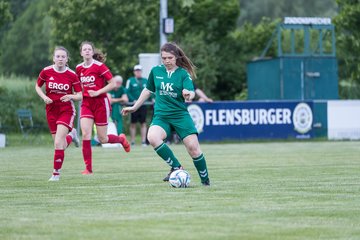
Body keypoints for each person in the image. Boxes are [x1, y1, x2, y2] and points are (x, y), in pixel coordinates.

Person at [122, 42, 210, 186]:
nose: (167, 61)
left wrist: (188, 94)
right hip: (162, 116)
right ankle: (176, 166)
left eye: (170, 57)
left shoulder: (183, 74)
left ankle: (205, 181)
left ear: (176, 57)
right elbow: (148, 90)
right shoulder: (156, 71)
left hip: (180, 116)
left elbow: (191, 92)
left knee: (194, 149)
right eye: (164, 58)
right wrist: (134, 107)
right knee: (152, 137)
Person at [76, 41, 130, 175]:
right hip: (87, 104)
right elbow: (78, 86)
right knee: (86, 134)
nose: (87, 51)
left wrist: (98, 92)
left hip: (101, 103)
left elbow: (112, 84)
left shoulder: (100, 66)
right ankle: (88, 168)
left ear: (92, 52)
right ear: (81, 53)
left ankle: (121, 139)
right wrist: (75, 95)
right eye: (85, 49)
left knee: (103, 139)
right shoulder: (78, 68)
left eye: (89, 49)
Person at [35, 46, 83, 181]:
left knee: (57, 143)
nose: (60, 59)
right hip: (51, 110)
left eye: (63, 57)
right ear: (53, 58)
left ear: (67, 59)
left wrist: (70, 96)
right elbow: (37, 86)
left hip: (66, 110)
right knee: (60, 144)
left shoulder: (72, 75)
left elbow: (80, 95)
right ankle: (72, 135)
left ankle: (56, 174)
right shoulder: (46, 71)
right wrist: (44, 97)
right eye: (58, 56)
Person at [125, 65, 148, 147]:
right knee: (133, 123)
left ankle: (143, 141)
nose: (138, 72)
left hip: (143, 105)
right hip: (133, 104)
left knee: (143, 123)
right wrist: (133, 100)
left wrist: (152, 99)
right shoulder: (130, 80)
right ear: (134, 72)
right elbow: (127, 91)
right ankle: (133, 141)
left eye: (139, 71)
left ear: (141, 71)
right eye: (136, 71)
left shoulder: (146, 80)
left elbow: (150, 90)